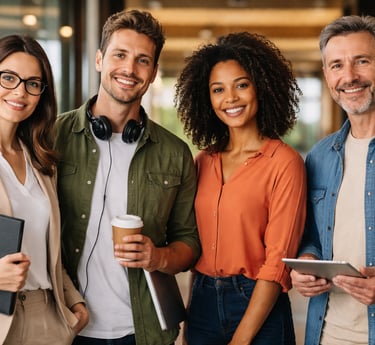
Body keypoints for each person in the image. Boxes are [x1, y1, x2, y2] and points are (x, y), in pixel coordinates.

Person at [54, 9, 201, 345]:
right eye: (120, 55)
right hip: (64, 324)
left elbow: (189, 243)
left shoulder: (175, 153)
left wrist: (159, 257)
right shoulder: (52, 136)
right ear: (99, 60)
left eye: (142, 60)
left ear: (153, 73)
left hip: (143, 331)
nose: (129, 69)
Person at [174, 31, 306, 345]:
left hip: (258, 302)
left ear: (261, 87)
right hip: (203, 300)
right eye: (218, 89)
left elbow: (278, 262)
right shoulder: (202, 162)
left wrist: (242, 338)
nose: (230, 98)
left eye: (241, 85)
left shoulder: (284, 163)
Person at [290, 15, 375, 345]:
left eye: (362, 61)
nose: (349, 76)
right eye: (337, 65)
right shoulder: (320, 156)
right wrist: (307, 264)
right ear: (327, 75)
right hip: (327, 334)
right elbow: (313, 235)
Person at [0, 35, 89, 345]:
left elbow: (47, 245)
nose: (19, 92)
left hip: (47, 316)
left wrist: (72, 299)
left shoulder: (40, 160)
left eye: (33, 83)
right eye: (8, 77)